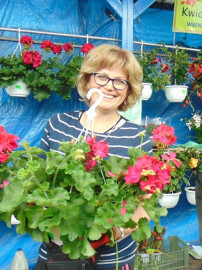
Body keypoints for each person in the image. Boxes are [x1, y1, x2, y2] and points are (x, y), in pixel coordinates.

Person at [35, 45, 152, 270]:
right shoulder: (58, 124)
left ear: (128, 91)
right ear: (87, 80)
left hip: (112, 258)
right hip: (58, 252)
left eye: (120, 81)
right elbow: (38, 186)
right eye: (102, 77)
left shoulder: (137, 137)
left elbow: (144, 206)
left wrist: (108, 234)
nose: (110, 86)